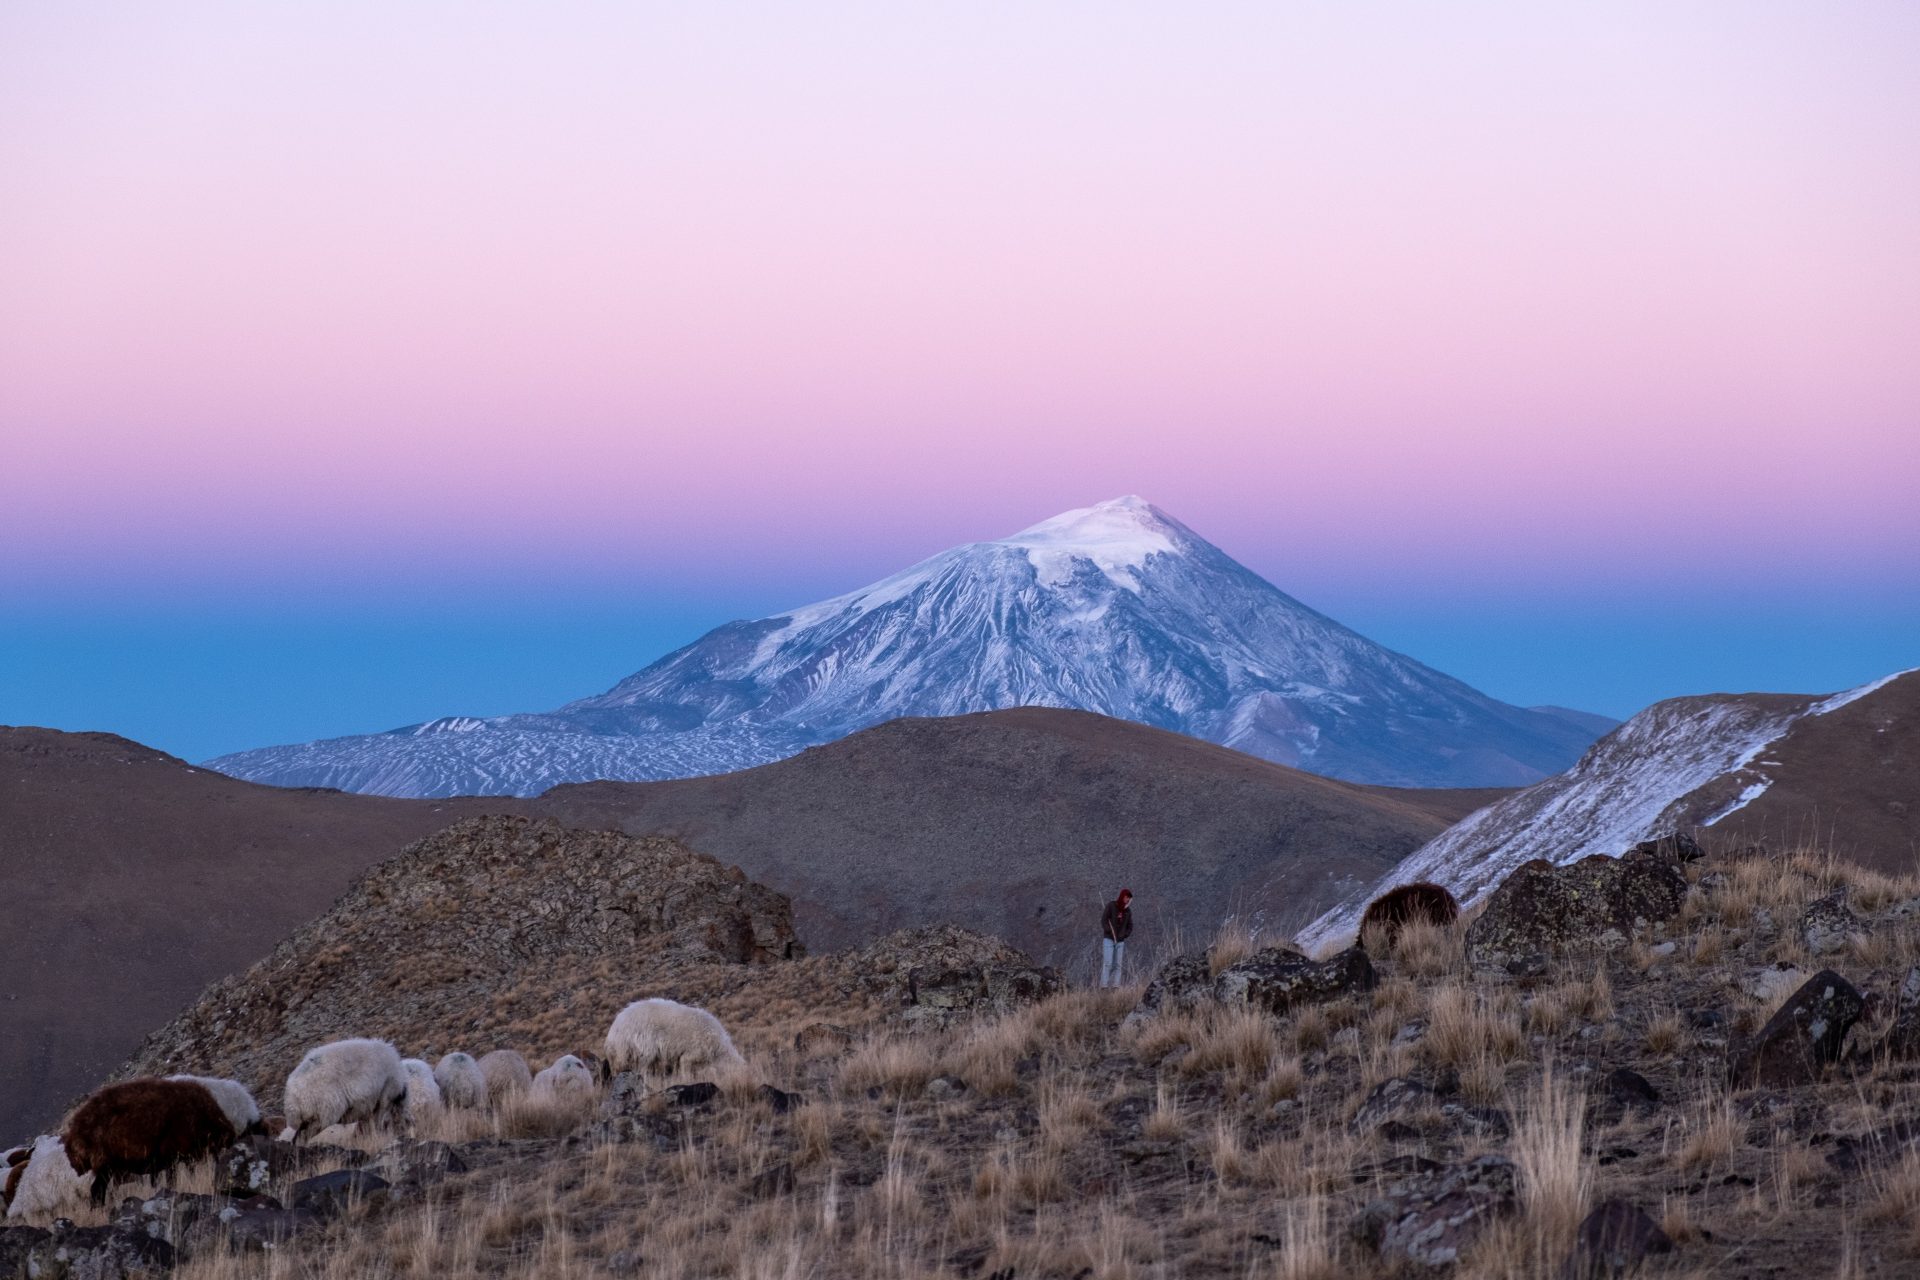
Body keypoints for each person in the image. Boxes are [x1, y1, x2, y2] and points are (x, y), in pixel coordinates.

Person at [1100, 888, 1133, 988]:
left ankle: (1115, 986)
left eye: (1129, 898)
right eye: (1126, 897)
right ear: (1122, 896)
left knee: (1118, 965)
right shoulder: (1111, 905)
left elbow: (1130, 926)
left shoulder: (1128, 911)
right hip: (1108, 940)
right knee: (1108, 963)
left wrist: (1124, 934)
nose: (1127, 900)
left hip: (1120, 942)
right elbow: (1103, 920)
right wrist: (1109, 931)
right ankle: (1104, 986)